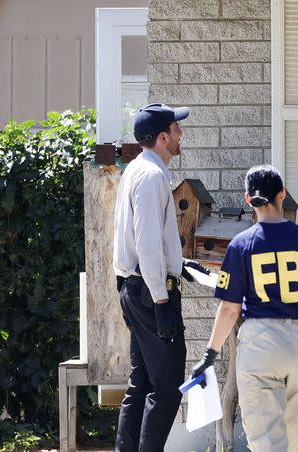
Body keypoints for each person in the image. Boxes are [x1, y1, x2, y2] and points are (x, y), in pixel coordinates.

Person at [190, 164, 298, 452]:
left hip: (262, 343)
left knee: (267, 441)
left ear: (248, 199)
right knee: (290, 435)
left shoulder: (241, 244)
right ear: (282, 194)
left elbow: (230, 309)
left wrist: (209, 355)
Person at [113, 103, 204, 451]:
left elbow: (132, 240)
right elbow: (148, 245)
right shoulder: (152, 176)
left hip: (134, 287)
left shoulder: (135, 169)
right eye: (177, 129)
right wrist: (162, 300)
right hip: (152, 293)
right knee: (166, 388)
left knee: (142, 383)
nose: (181, 134)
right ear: (164, 137)